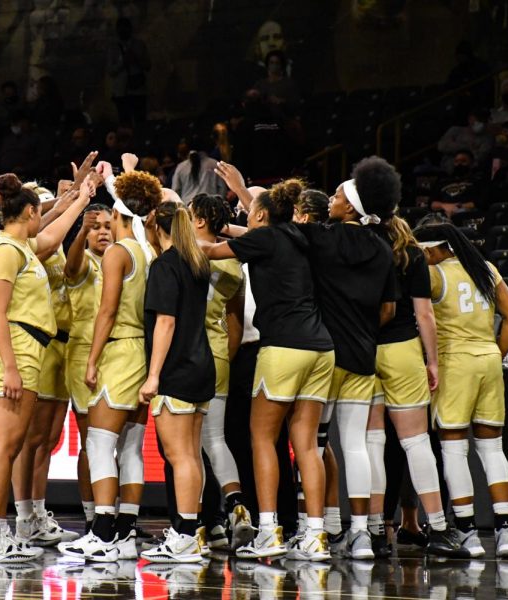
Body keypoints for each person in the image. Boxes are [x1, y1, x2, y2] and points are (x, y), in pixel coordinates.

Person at [198, 180, 335, 562]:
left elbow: (209, 250)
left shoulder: (265, 238)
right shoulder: (302, 235)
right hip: (322, 348)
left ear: (260, 214)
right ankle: (315, 535)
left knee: (261, 438)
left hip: (283, 347)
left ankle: (270, 530)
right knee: (306, 445)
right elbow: (246, 233)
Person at [0, 173, 93, 563]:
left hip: (28, 348)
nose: (43, 219)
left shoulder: (21, 246)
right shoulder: (5, 250)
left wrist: (82, 199)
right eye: (40, 212)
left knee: (8, 445)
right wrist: (9, 367)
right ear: (28, 212)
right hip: (14, 348)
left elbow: (53, 237)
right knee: (4, 446)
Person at [295, 158, 399, 561]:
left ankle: (316, 528)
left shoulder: (324, 237)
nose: (333, 200)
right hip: (363, 353)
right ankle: (360, 535)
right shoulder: (383, 247)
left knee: (316, 443)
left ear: (351, 206)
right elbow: (388, 309)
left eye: (337, 195)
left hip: (323, 355)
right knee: (355, 445)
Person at [59, 167, 160, 562]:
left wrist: (94, 358)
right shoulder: (149, 250)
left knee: (100, 444)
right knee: (131, 447)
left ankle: (102, 532)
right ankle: (124, 533)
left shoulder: (119, 252)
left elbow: (108, 311)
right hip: (141, 351)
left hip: (117, 351)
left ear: (117, 214)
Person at [414, 223, 508, 559]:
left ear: (433, 249)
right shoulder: (485, 269)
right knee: (493, 448)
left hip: (454, 363)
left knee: (454, 450)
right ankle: (507, 531)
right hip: (488, 360)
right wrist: (496, 353)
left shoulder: (434, 276)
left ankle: (467, 532)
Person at [365, 215, 469, 558]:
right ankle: (438, 528)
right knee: (417, 442)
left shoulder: (359, 247)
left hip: (364, 350)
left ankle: (376, 531)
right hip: (403, 350)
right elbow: (425, 315)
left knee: (373, 444)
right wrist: (433, 360)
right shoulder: (412, 255)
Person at [138, 201, 214, 563]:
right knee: (192, 454)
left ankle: (183, 537)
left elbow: (165, 323)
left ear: (157, 227)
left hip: (177, 370)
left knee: (179, 455)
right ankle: (191, 531)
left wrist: (153, 375)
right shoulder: (196, 263)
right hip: (202, 366)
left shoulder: (165, 266)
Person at [11, 182, 81, 547]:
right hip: (42, 343)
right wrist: (72, 198)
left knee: (49, 439)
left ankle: (37, 511)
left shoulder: (51, 240)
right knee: (31, 439)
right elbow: (52, 234)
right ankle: (24, 516)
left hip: (65, 344)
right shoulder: (27, 245)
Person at [189, 193, 253, 548]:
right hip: (218, 355)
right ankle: (236, 505)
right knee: (216, 440)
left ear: (199, 221)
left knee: (186, 447)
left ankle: (194, 526)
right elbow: (236, 324)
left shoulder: (183, 252)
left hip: (186, 354)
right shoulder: (234, 263)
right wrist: (223, 360)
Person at [64, 204, 112, 532]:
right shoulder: (83, 264)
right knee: (91, 440)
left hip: (120, 355)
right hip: (83, 357)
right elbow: (69, 268)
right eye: (96, 227)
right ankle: (92, 516)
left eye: (108, 225)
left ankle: (116, 515)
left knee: (116, 443)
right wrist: (81, 230)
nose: (103, 232)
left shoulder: (122, 261)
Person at [107, 17, 150, 126]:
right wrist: (123, 62)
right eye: (120, 29)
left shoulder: (139, 45)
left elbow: (148, 66)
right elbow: (111, 71)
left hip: (138, 90)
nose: (123, 31)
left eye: (125, 28)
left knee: (140, 122)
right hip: (121, 92)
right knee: (125, 123)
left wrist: (136, 59)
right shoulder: (113, 48)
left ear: (130, 29)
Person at [431, 150, 489, 218]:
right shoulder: (443, 181)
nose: (459, 164)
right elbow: (432, 203)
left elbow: (483, 202)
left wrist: (459, 207)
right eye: (456, 161)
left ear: (472, 163)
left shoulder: (478, 180)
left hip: (470, 214)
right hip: (445, 214)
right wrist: (445, 206)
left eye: (463, 161)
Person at [437, 108, 494, 173]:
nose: (481, 123)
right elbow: (441, 146)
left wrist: (454, 145)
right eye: (478, 120)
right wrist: (468, 147)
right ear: (470, 119)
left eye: (483, 121)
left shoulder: (488, 138)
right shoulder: (455, 130)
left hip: (470, 172)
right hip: (447, 169)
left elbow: (480, 157)